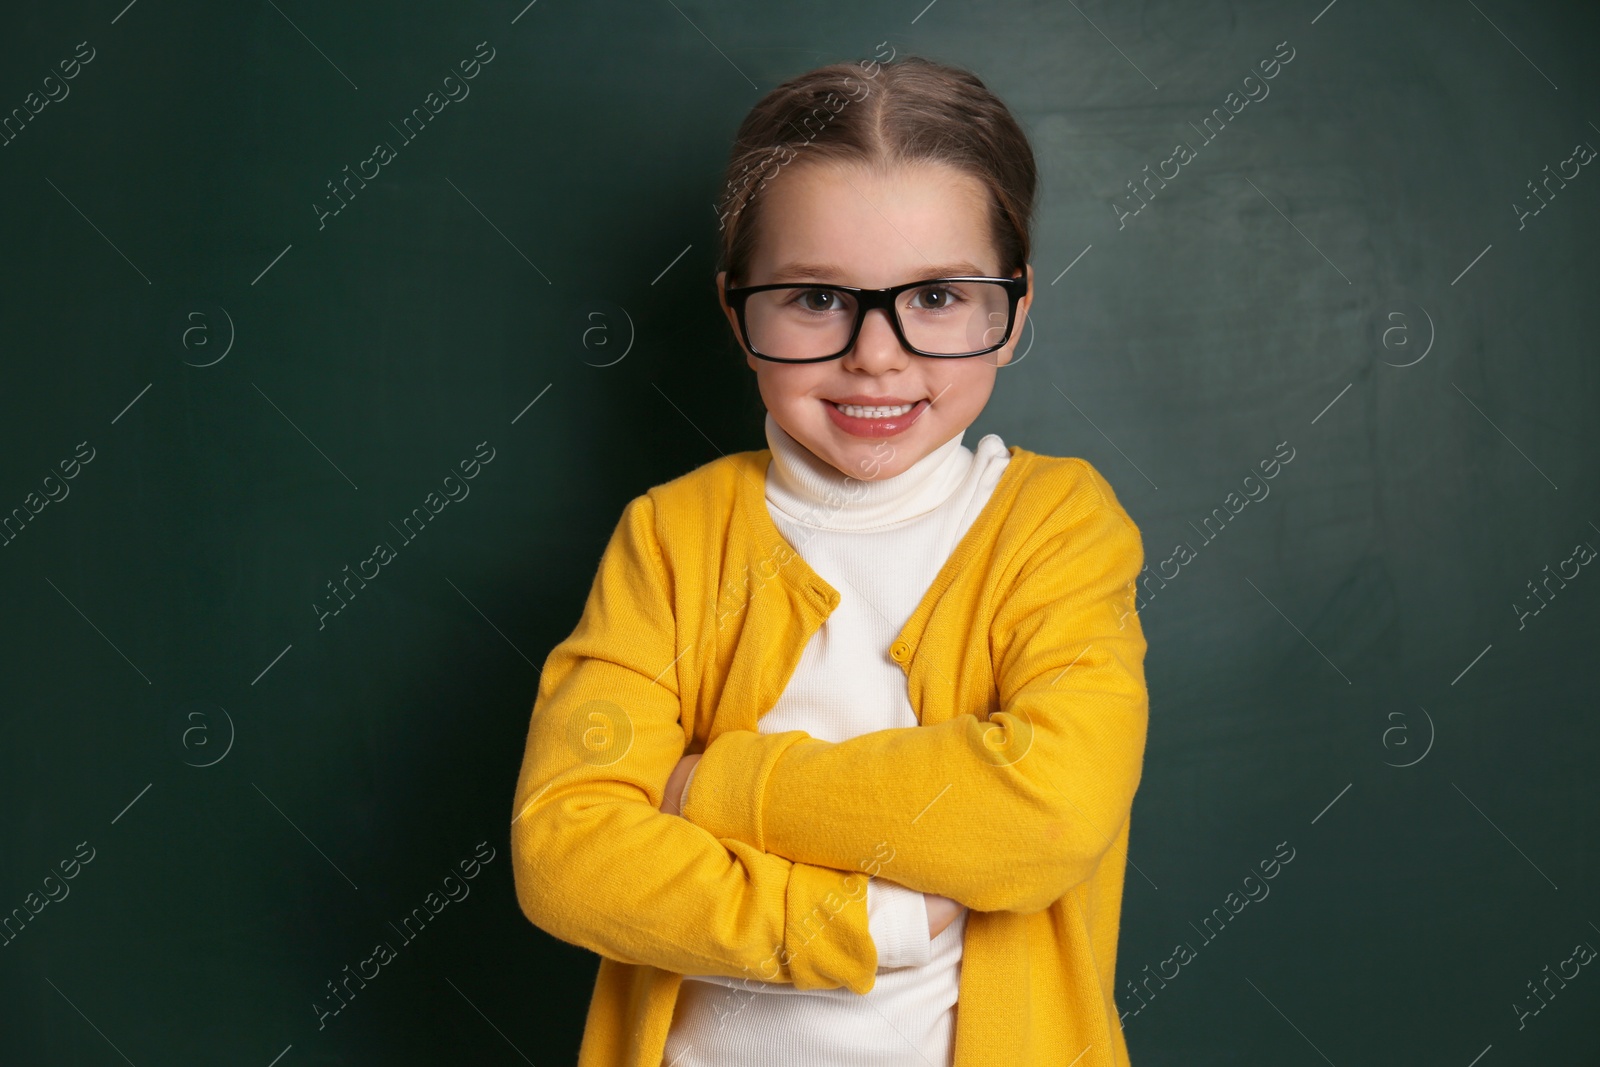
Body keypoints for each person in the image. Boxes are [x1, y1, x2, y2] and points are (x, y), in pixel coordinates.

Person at [510, 54, 1150, 1067]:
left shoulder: (1054, 525)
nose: (876, 354)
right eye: (815, 297)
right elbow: (567, 850)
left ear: (1013, 311)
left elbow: (1048, 805)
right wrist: (869, 922)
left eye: (936, 295)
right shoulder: (670, 536)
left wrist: (705, 789)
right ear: (737, 314)